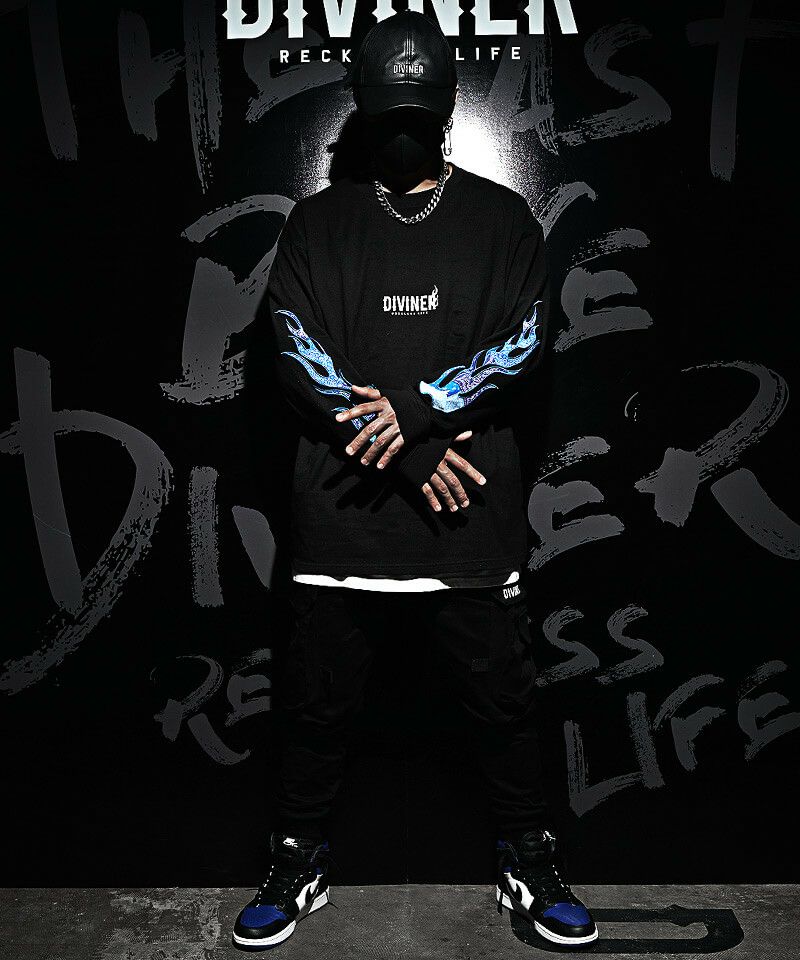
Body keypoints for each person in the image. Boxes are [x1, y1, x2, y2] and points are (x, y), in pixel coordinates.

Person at [233, 10, 598, 951]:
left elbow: (524, 341)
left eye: (417, 114)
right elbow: (295, 353)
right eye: (386, 114)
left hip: (467, 517)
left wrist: (421, 407)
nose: (402, 132)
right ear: (359, 110)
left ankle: (529, 856)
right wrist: (414, 447)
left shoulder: (502, 220)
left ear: (444, 112)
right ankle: (298, 857)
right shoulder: (318, 224)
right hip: (341, 524)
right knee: (315, 708)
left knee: (504, 706)